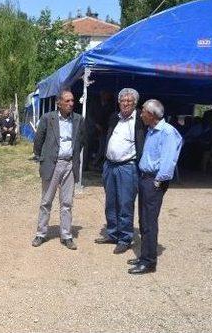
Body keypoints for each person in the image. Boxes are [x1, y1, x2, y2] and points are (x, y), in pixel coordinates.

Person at [128, 99, 183, 274]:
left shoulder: (167, 132)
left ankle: (149, 262)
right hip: (145, 178)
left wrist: (157, 182)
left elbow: (169, 161)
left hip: (154, 181)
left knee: (149, 221)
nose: (140, 113)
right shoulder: (152, 130)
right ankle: (145, 254)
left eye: (143, 110)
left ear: (151, 114)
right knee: (143, 219)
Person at [31, 90, 85, 250]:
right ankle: (41, 233)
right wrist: (42, 158)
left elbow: (81, 140)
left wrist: (73, 157)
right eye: (67, 101)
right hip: (52, 164)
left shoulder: (78, 119)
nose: (71, 104)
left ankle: (66, 235)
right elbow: (38, 140)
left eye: (72, 100)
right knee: (46, 201)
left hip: (69, 164)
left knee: (67, 202)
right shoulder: (48, 118)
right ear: (59, 103)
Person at [94, 88, 146, 254]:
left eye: (129, 101)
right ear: (118, 102)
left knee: (125, 203)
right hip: (110, 165)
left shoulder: (140, 119)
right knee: (111, 202)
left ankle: (125, 238)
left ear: (135, 104)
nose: (125, 104)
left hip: (127, 167)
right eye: (123, 101)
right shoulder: (114, 118)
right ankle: (112, 233)